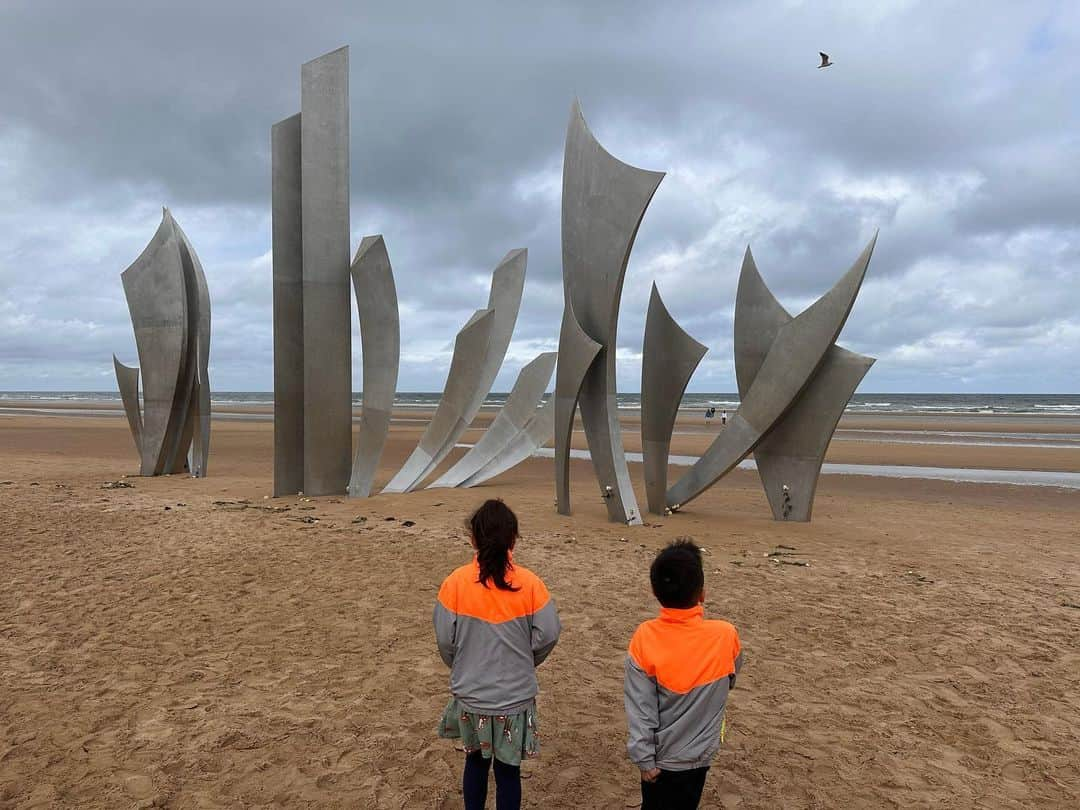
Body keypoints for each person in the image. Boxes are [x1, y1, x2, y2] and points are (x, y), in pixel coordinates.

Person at [435, 499, 561, 810]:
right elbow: (548, 634)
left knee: (475, 764)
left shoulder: (455, 583)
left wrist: (463, 664)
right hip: (514, 698)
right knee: (508, 772)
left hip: (471, 694)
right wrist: (524, 661)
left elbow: (445, 640)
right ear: (513, 539)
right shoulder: (530, 585)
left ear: (472, 539)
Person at [624, 540, 743, 809]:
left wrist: (644, 758)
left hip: (659, 760)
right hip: (699, 757)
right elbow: (732, 676)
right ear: (702, 593)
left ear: (654, 591)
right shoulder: (726, 635)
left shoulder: (644, 637)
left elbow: (640, 707)